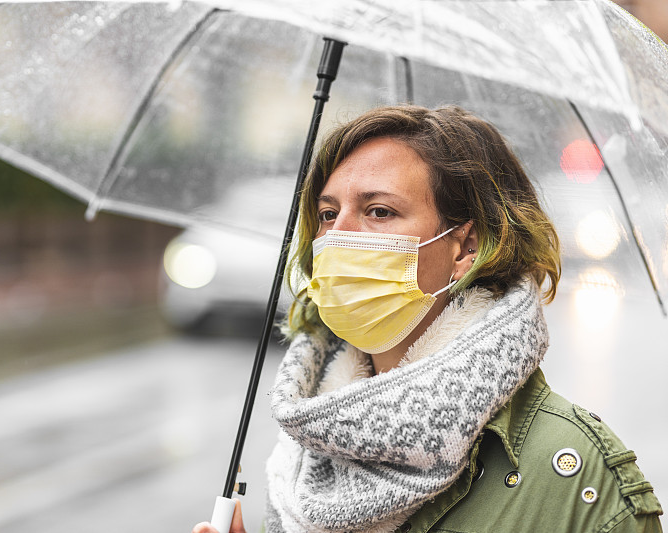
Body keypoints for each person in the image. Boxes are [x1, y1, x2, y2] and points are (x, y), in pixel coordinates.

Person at [192, 105, 663, 533]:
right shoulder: (299, 454)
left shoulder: (579, 477)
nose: (338, 237)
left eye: (379, 211)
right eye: (328, 213)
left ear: (466, 247)